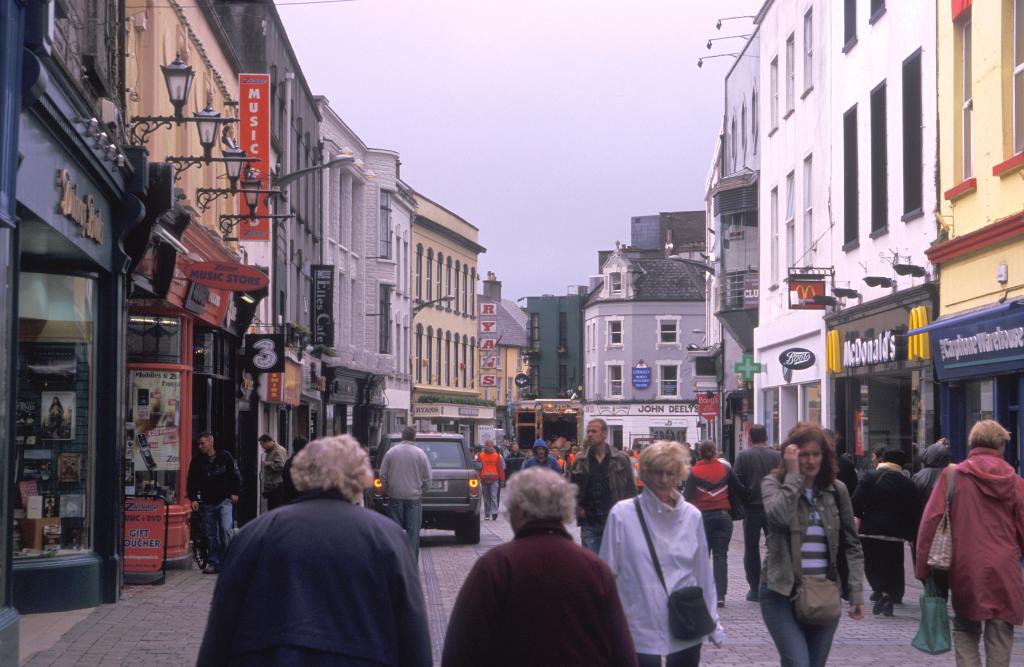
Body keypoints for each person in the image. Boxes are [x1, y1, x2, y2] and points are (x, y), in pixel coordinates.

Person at [196, 435, 431, 666]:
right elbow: (413, 633)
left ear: (301, 473)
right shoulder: (387, 538)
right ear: (359, 475)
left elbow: (220, 631)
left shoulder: (253, 535)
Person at [442, 468, 637, 666]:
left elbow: (461, 649)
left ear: (521, 511)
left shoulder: (496, 566)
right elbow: (622, 649)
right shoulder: (594, 568)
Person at [601, 440, 724, 667]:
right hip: (638, 628)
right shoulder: (622, 514)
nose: (664, 479)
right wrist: (605, 625)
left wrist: (713, 622)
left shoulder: (692, 516)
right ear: (645, 474)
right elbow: (606, 574)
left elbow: (703, 574)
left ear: (679, 475)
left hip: (685, 625)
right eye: (658, 472)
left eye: (670, 473)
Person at [916, 420, 1024, 667]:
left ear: (972, 443)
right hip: (1005, 569)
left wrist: (923, 568)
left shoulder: (953, 476)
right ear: (1001, 445)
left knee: (965, 628)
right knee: (1000, 633)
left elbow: (930, 522)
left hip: (966, 566)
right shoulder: (1015, 482)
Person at [760, 422, 864, 667]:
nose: (810, 460)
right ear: (791, 455)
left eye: (816, 454)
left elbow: (852, 544)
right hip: (781, 591)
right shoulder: (773, 484)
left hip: (823, 592)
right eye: (804, 454)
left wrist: (856, 592)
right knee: (798, 662)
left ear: (825, 457)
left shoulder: (837, 490)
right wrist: (793, 477)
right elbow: (778, 516)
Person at [851, 448, 916, 614]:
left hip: (871, 530)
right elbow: (912, 511)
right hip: (895, 533)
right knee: (893, 564)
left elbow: (856, 502)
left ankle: (879, 589)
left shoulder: (870, 477)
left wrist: (864, 516)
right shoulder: (907, 483)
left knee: (872, 563)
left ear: (884, 460)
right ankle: (891, 594)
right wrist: (909, 533)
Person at [684, 439, 743, 607]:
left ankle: (703, 593)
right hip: (723, 517)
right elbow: (739, 489)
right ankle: (720, 596)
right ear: (715, 452)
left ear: (699, 453)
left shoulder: (693, 472)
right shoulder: (726, 469)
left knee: (703, 557)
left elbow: (687, 497)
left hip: (702, 518)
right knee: (720, 556)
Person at [570, 418, 638, 554]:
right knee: (591, 562)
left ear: (604, 434)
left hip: (614, 519)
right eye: (588, 431)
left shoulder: (620, 459)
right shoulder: (580, 460)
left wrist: (629, 515)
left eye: (594, 431)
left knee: (613, 561)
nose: (590, 434)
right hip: (589, 521)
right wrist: (577, 509)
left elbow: (631, 490)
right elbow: (570, 489)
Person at [733, 423, 781, 601]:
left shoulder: (743, 456)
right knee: (776, 547)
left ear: (750, 438)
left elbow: (737, 481)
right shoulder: (777, 456)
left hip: (752, 507)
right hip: (773, 507)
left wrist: (744, 499)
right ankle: (773, 585)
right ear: (766, 437)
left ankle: (754, 588)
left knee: (751, 549)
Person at [186, 432, 241, 574]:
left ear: (211, 442)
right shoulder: (197, 461)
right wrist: (193, 498)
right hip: (207, 501)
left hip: (224, 500)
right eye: (198, 444)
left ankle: (229, 561)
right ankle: (213, 562)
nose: (200, 446)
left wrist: (235, 492)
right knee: (210, 534)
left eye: (202, 443)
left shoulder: (225, 456)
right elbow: (192, 480)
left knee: (226, 529)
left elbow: (235, 475)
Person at [380, 426, 432, 561]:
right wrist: (423, 490)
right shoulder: (420, 454)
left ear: (402, 437)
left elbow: (382, 475)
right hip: (414, 498)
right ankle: (411, 564)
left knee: (395, 532)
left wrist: (387, 490)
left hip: (395, 496)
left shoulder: (391, 453)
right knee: (413, 534)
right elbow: (428, 477)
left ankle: (397, 563)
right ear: (414, 437)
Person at [258, 434, 288, 510]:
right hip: (272, 487)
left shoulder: (278, 450)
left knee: (276, 508)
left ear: (268, 441)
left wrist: (268, 464)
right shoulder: (270, 451)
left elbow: (281, 465)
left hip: (277, 486)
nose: (262, 447)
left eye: (262, 444)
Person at [478, 439, 505, 521]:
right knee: (486, 498)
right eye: (488, 446)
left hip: (494, 479)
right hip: (484, 479)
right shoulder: (481, 455)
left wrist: (502, 480)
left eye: (491, 446)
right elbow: (478, 468)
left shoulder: (496, 456)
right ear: (485, 446)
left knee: (493, 497)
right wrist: (478, 477)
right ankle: (487, 514)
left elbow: (500, 468)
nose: (490, 447)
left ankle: (494, 513)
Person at [279, 436, 308, 504]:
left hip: (290, 499)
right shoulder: (307, 463)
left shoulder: (289, 462)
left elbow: (285, 478)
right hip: (303, 500)